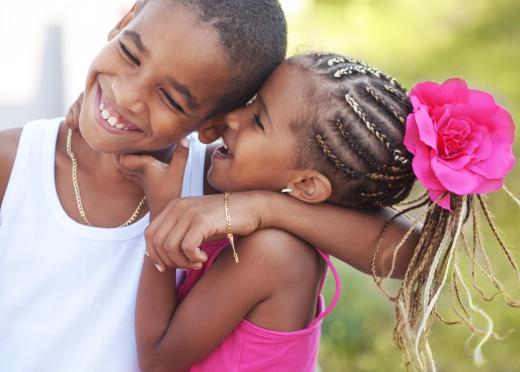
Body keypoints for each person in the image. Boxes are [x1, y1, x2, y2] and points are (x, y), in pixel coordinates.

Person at [0, 2, 420, 372]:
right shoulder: (13, 165)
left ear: (214, 120)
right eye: (130, 54)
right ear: (127, 17)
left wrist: (264, 208)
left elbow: (408, 254)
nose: (128, 95)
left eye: (172, 99)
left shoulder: (224, 184)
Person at [125, 53, 518, 371]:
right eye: (250, 101)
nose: (233, 117)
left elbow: (159, 359)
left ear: (307, 187)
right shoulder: (276, 211)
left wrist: (166, 211)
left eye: (258, 120)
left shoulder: (274, 253)